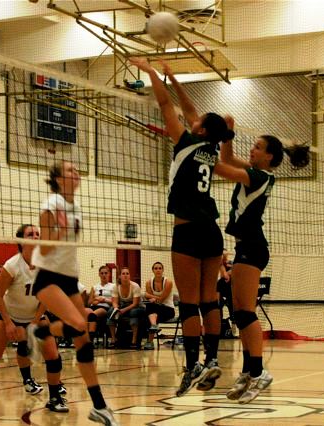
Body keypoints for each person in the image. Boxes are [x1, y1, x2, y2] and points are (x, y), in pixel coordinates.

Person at [130, 57, 229, 396]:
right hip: (211, 231)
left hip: (187, 230)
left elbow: (165, 105)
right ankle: (211, 359)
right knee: (209, 299)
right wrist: (173, 77)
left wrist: (151, 72)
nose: (192, 119)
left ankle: (191, 366)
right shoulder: (211, 149)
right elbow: (191, 110)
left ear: (200, 129)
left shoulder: (186, 142)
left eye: (197, 121)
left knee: (189, 302)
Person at [215, 116, 310, 403]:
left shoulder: (257, 176)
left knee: (245, 312)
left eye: (257, 147)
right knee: (240, 313)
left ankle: (258, 372)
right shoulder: (257, 173)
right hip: (247, 247)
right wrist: (228, 132)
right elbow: (227, 158)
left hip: (252, 247)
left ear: (269, 156)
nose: (252, 150)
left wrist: (196, 148)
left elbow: (220, 167)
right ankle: (248, 370)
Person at [26, 160, 118, 425]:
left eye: (76, 169)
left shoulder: (75, 206)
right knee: (78, 324)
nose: (76, 172)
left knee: (83, 338)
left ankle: (99, 406)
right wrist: (59, 232)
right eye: (69, 170)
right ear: (58, 178)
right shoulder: (50, 205)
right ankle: (41, 331)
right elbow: (45, 248)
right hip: (47, 277)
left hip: (69, 278)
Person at [0, 224, 68, 415]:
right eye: (30, 234)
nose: (36, 236)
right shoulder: (12, 265)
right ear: (21, 240)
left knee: (53, 357)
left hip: (35, 315)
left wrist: (35, 321)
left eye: (37, 234)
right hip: (9, 315)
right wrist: (8, 323)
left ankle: (55, 398)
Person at [107, 267, 145, 349]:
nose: (125, 275)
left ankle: (134, 340)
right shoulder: (116, 286)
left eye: (127, 274)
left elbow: (135, 303)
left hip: (137, 307)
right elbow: (114, 302)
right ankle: (113, 339)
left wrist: (124, 310)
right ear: (120, 276)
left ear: (129, 276)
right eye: (123, 274)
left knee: (133, 313)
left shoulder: (135, 286)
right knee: (110, 311)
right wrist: (116, 309)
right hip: (122, 306)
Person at [143, 262, 175, 350]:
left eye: (160, 268)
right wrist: (150, 298)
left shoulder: (168, 282)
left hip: (168, 310)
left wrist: (149, 296)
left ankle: (149, 342)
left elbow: (161, 299)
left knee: (150, 312)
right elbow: (150, 299)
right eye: (156, 268)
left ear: (163, 270)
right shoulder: (149, 282)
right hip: (155, 310)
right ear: (153, 270)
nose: (158, 270)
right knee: (151, 311)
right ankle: (154, 326)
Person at [87, 266, 116, 344]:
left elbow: (115, 302)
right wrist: (95, 300)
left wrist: (105, 300)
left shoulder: (113, 286)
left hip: (105, 307)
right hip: (94, 306)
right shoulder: (94, 287)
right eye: (102, 273)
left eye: (106, 273)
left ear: (109, 274)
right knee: (84, 312)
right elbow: (89, 302)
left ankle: (90, 340)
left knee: (92, 315)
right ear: (99, 274)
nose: (104, 275)